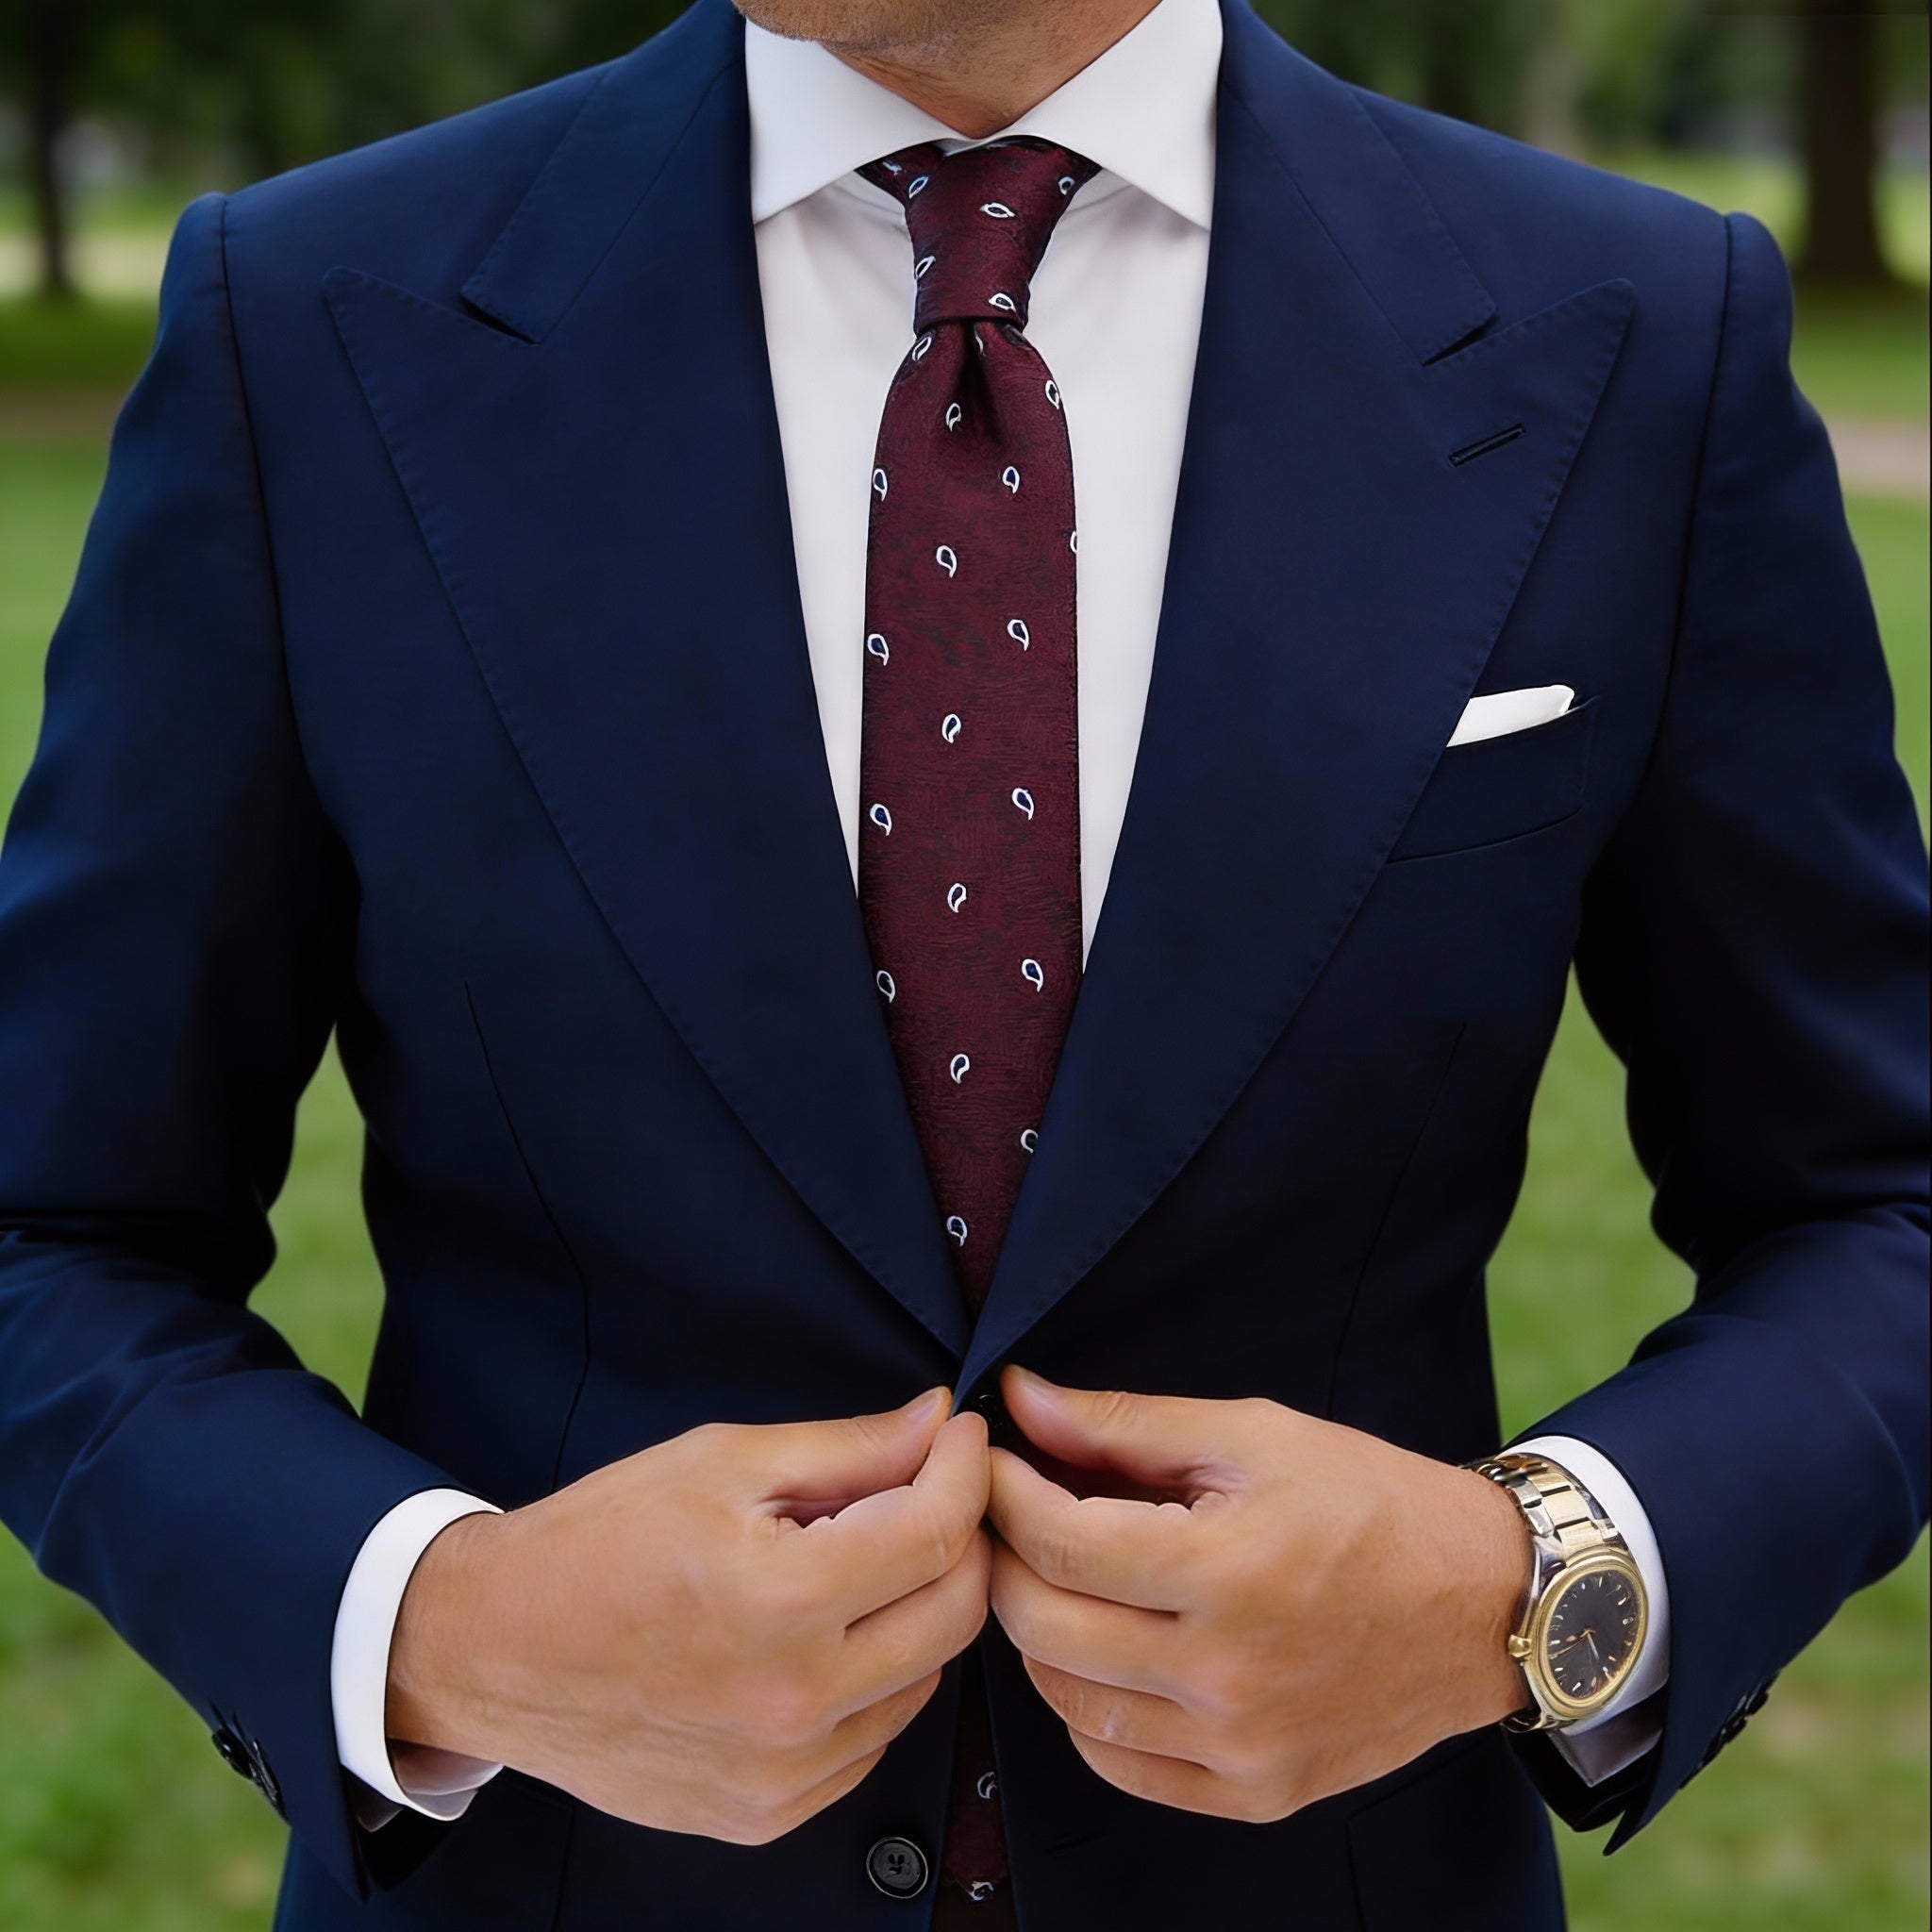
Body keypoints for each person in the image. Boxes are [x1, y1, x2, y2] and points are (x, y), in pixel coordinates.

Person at [0, 0, 1924, 1924]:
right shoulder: (311, 317)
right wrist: (440, 1623)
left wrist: (1537, 1586)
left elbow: (1874, 1199)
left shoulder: (1634, 330)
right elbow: (55, 1226)